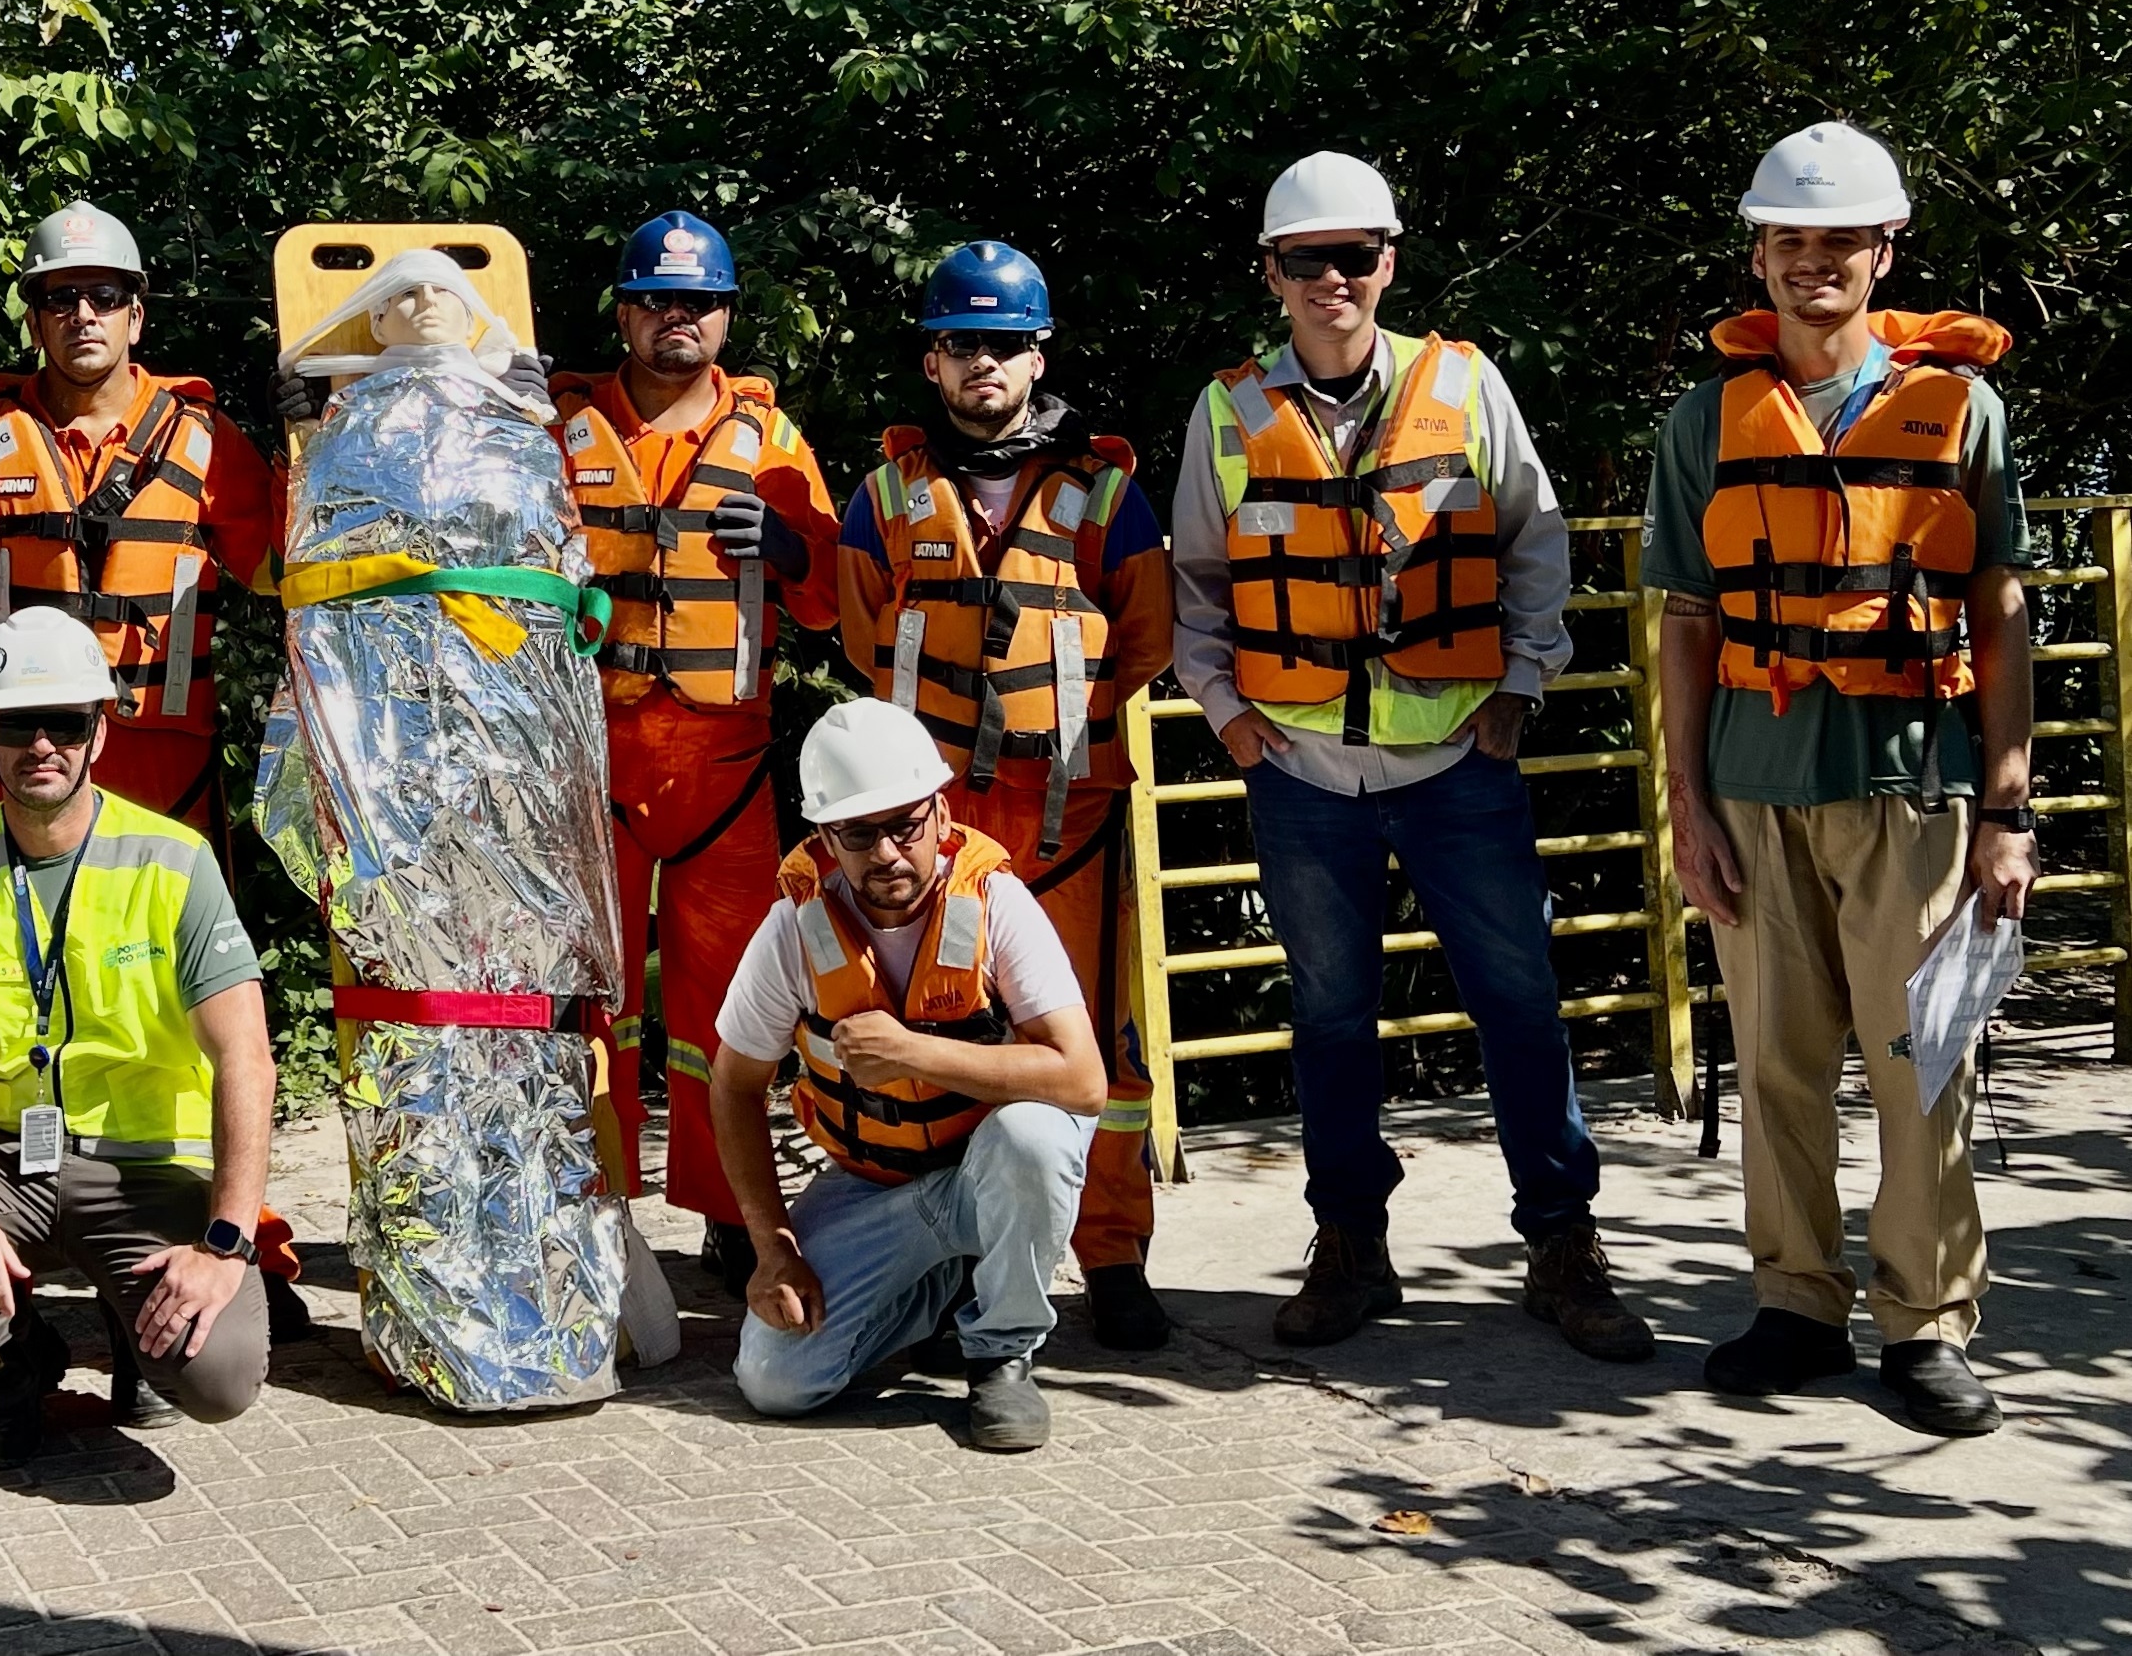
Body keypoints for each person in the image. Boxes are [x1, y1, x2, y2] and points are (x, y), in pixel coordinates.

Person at [1170, 152, 1650, 1361]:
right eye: (1304, 260)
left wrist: (1522, 687)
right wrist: (1226, 713)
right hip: (1304, 777)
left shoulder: (1468, 387)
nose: (1331, 279)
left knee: (1521, 1007)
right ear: (1271, 274)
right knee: (1331, 1020)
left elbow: (1536, 541)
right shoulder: (1229, 412)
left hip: (1456, 766)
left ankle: (1561, 1242)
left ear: (1390, 262)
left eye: (1355, 256)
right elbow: (1196, 585)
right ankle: (1351, 1248)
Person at [1648, 122, 2033, 1437]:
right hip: (1754, 785)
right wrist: (1686, 806)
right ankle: (1797, 1304)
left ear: (1885, 249)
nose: (1814, 263)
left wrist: (2010, 805)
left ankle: (1928, 1323)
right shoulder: (1705, 422)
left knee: (1925, 1060)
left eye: (1839, 241)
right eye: (1789, 240)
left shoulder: (1963, 410)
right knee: (1778, 1061)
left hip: (1918, 787)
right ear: (1759, 253)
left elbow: (2001, 611)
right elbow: (1688, 621)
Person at [0, 607, 278, 1471]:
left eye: (65, 722)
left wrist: (225, 1244)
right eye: (17, 725)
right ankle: (16, 1349)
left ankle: (130, 1311)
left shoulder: (175, 861)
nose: (43, 744)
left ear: (98, 735)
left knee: (217, 1378)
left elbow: (246, 1060)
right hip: (3, 1161)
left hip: (147, 1170)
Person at [836, 241, 1175, 1351]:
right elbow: (857, 633)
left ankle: (1112, 1250)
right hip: (932, 838)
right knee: (945, 1033)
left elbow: (1145, 635)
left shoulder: (1106, 496)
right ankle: (965, 1256)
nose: (984, 363)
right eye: (962, 344)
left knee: (1099, 1046)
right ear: (932, 362)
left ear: (1038, 355)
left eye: (1004, 344)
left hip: (1070, 822)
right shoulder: (883, 498)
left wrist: (1054, 738)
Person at [547, 209, 840, 1290]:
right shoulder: (556, 428)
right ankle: (595, 1200)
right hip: (595, 761)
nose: (682, 318)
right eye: (661, 300)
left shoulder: (772, 443)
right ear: (625, 312)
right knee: (590, 1004)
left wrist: (800, 540)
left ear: (727, 316)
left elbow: (830, 596)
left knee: (731, 1012)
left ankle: (729, 1211)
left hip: (725, 763)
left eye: (702, 302)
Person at [710, 699, 1104, 1451]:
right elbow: (732, 1085)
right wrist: (773, 1246)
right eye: (859, 833)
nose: (888, 852)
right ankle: (944, 1291)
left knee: (1036, 1136)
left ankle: (1001, 1353)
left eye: (906, 824)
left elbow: (1082, 1078)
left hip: (985, 1174)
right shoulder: (794, 927)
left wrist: (917, 1053)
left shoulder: (996, 902)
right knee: (777, 1382)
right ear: (827, 838)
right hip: (873, 1186)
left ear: (941, 811)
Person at [0, 199, 276, 837]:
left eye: (103, 296)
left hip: (162, 761)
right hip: (24, 752)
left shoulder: (206, 439)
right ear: (36, 322)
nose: (83, 316)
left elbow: (281, 571)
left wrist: (307, 445)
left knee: (167, 929)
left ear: (136, 315)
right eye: (60, 299)